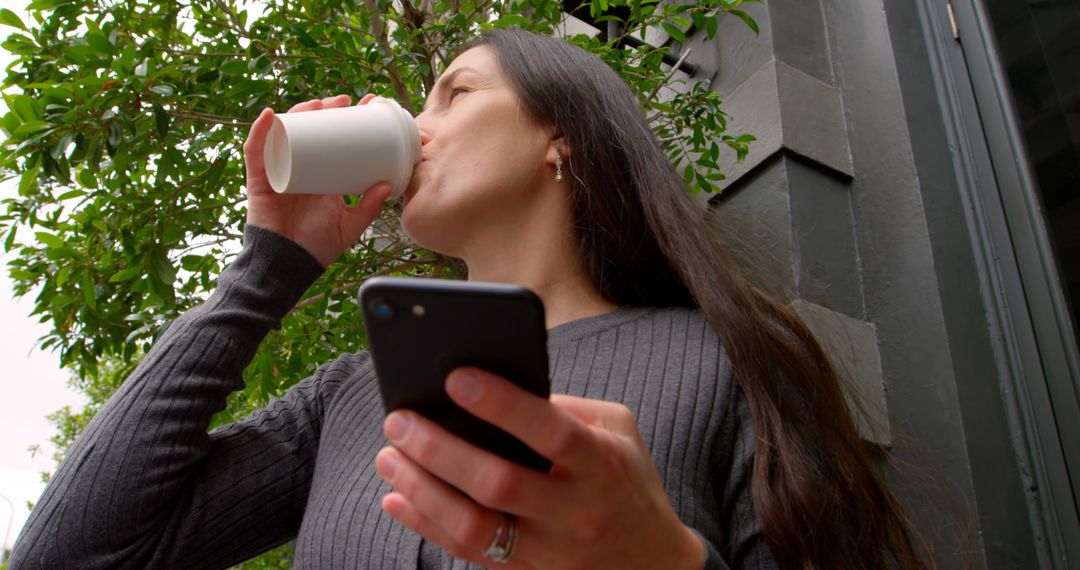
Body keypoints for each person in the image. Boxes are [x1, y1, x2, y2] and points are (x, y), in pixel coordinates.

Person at [10, 29, 931, 569]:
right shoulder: (345, 395)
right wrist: (268, 267)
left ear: (559, 138)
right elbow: (74, 554)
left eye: (453, 92)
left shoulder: (727, 361)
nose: (416, 126)